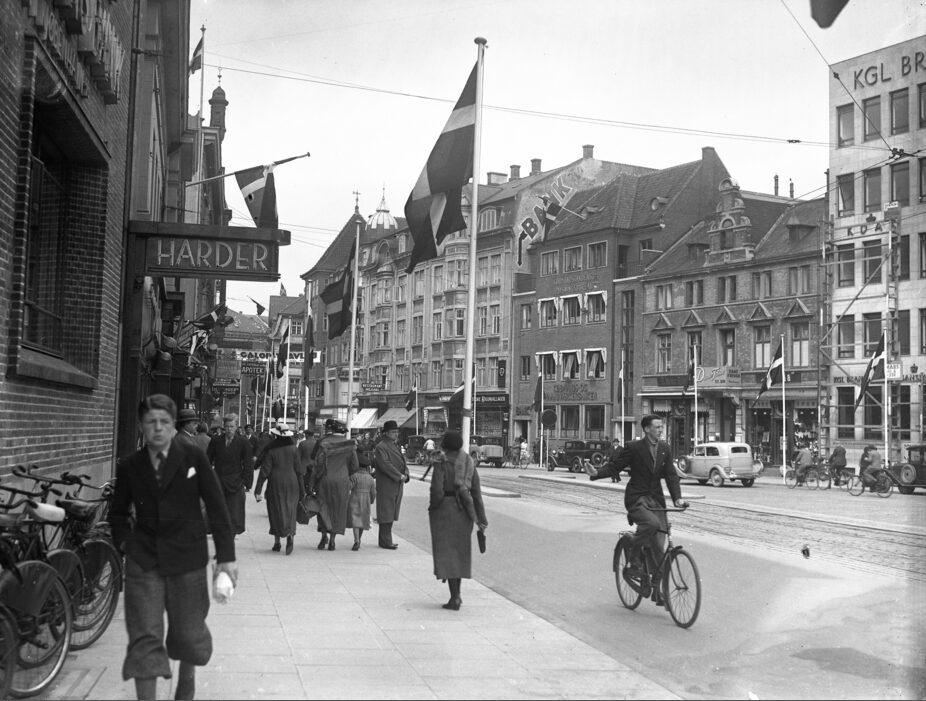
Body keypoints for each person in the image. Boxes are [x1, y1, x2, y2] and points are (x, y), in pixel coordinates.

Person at [110, 394, 237, 701]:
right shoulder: (130, 466)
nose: (157, 428)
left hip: (187, 560)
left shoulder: (194, 457)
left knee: (189, 633)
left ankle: (187, 679)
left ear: (173, 425)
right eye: (150, 422)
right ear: (141, 426)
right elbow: (117, 513)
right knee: (144, 637)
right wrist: (126, 543)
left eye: (164, 422)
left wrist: (226, 558)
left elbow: (217, 506)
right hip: (144, 561)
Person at [584, 415, 687, 606]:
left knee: (659, 544)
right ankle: (633, 562)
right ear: (647, 429)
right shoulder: (634, 447)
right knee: (651, 524)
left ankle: (657, 589)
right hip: (637, 498)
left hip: (656, 500)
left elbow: (671, 476)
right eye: (657, 427)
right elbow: (615, 466)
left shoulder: (664, 448)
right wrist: (597, 472)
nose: (660, 430)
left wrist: (677, 498)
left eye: (661, 427)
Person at [428, 431, 488, 611]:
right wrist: (481, 518)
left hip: (445, 510)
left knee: (446, 553)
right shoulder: (469, 462)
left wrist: (433, 507)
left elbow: (436, 490)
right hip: (464, 511)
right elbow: (476, 493)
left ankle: (454, 597)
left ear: (445, 446)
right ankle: (456, 595)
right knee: (459, 553)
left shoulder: (441, 462)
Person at [254, 422, 303, 555]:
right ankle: (290, 536)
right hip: (292, 482)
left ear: (276, 435)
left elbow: (264, 471)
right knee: (291, 511)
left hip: (276, 483)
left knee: (275, 510)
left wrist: (258, 490)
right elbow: (299, 471)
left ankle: (277, 542)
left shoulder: (271, 450)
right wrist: (302, 490)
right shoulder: (294, 449)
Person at [309, 419, 356, 551]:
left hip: (324, 480)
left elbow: (317, 465)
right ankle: (332, 541)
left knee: (323, 508)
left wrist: (311, 483)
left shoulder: (323, 443)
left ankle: (324, 535)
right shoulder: (349, 445)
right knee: (337, 510)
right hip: (342, 481)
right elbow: (355, 466)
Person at [206, 414, 254, 536]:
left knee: (234, 514)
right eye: (227, 426)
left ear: (236, 427)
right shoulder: (216, 441)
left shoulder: (243, 442)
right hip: (218, 481)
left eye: (231, 426)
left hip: (236, 483)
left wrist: (247, 483)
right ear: (223, 427)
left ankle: (230, 538)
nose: (229, 429)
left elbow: (248, 464)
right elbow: (207, 460)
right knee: (219, 512)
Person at [373, 420, 410, 549]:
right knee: (386, 512)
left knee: (392, 511)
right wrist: (399, 476)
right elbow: (385, 464)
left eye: (396, 432)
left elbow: (403, 462)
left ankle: (386, 540)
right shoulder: (381, 447)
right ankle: (385, 541)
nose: (396, 434)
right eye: (393, 432)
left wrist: (406, 474)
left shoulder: (395, 445)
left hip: (397, 484)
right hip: (387, 484)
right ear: (386, 433)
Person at [348, 459, 376, 550]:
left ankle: (356, 540)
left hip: (355, 498)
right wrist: (371, 500)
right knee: (363, 521)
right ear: (367, 468)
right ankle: (359, 539)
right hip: (366, 500)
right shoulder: (370, 478)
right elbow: (373, 492)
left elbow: (349, 487)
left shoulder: (354, 476)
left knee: (355, 520)